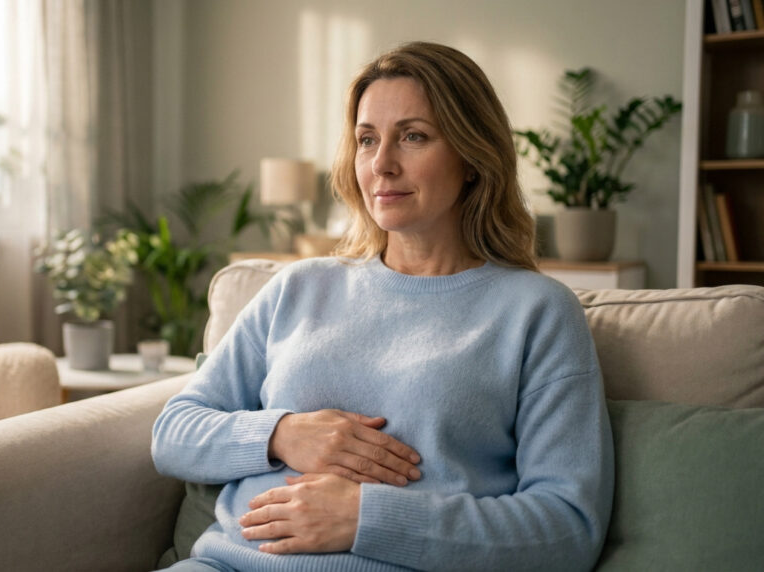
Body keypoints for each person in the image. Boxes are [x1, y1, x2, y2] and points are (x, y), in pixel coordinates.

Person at [152, 41, 613, 572]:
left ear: (471, 157)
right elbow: (174, 433)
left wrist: (365, 518)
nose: (381, 164)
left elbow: (567, 530)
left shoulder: (537, 312)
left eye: (413, 137)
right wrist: (281, 435)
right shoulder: (299, 287)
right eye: (366, 139)